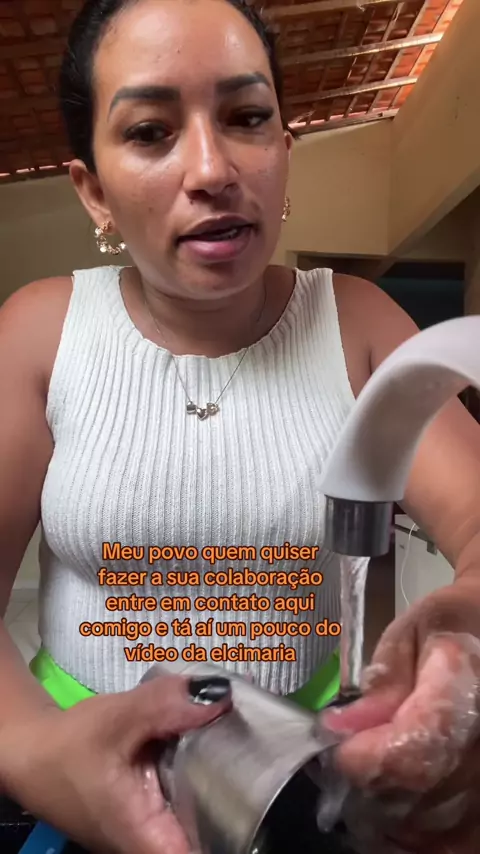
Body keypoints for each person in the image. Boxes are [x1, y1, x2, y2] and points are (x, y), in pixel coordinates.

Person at [0, 0, 479, 851]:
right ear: (94, 190)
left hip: (306, 771)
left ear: (285, 152)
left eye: (247, 118)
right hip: (82, 771)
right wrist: (40, 754)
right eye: (150, 132)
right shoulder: (41, 332)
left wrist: (464, 631)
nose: (213, 168)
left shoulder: (362, 325)